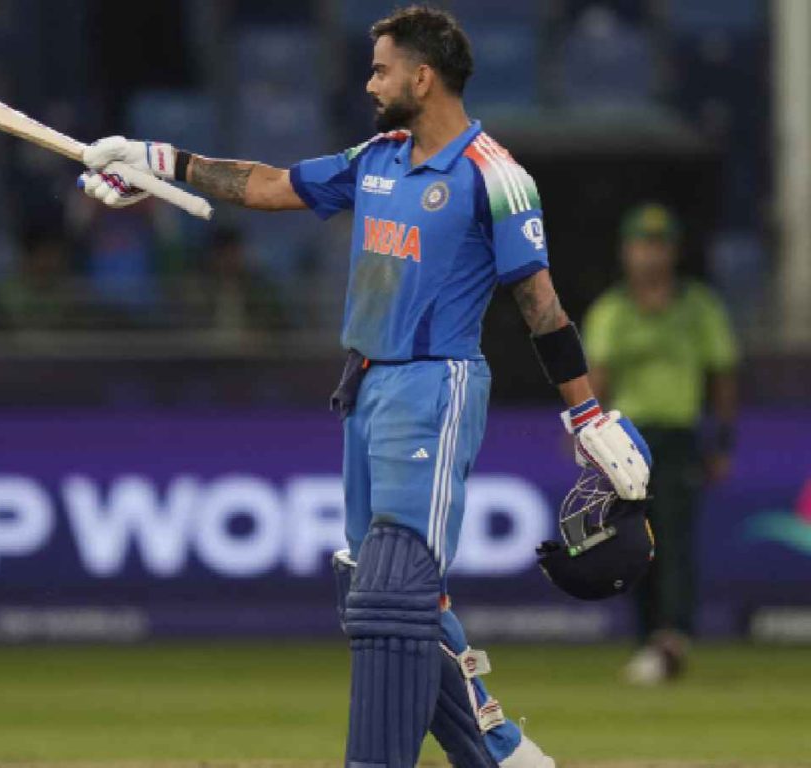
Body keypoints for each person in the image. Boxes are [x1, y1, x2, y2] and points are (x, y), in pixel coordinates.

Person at [78, 7, 650, 768]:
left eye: (381, 69)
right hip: (367, 388)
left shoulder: (497, 177)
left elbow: (540, 305)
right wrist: (160, 161)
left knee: (394, 591)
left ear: (424, 76)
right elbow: (270, 185)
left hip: (436, 387)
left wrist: (585, 413)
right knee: (372, 592)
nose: (370, 83)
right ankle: (505, 757)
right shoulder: (377, 157)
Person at [583, 203, 738, 685]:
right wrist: (588, 441)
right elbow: (596, 381)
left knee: (674, 540)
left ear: (674, 251)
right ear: (626, 251)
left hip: (677, 437)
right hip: (627, 441)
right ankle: (649, 640)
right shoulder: (612, 310)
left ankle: (672, 638)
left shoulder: (699, 307)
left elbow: (722, 374)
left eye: (659, 245)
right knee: (635, 544)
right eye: (642, 245)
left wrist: (722, 440)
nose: (650, 256)